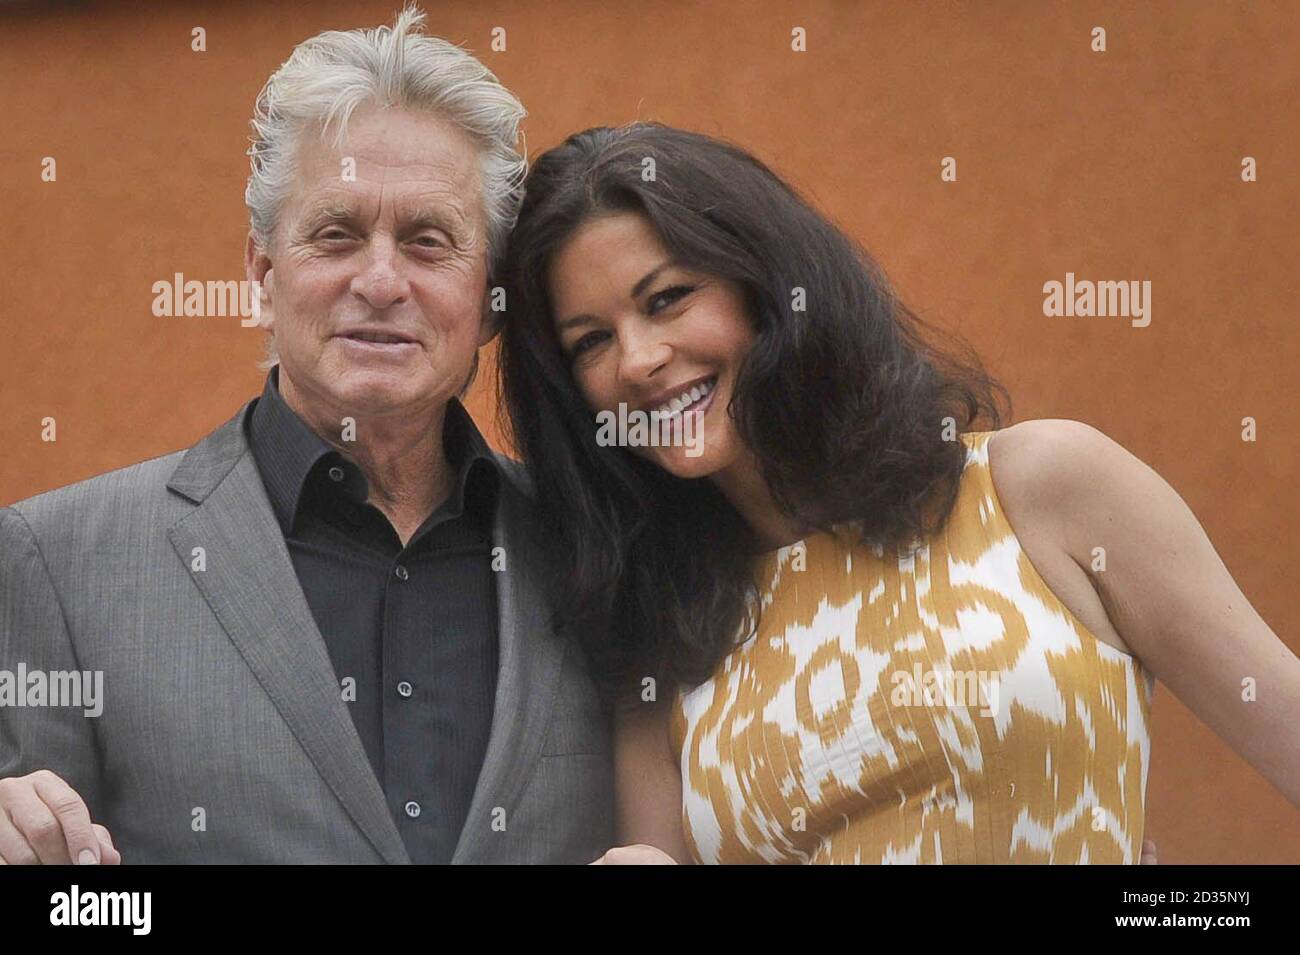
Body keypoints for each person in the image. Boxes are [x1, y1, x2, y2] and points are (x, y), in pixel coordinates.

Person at [495, 122, 1300, 864]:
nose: (636, 359)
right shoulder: (665, 645)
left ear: (767, 286)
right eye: (590, 341)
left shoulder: (1043, 489)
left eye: (667, 298)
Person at [0, 8, 612, 865]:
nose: (381, 279)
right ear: (262, 273)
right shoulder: (58, 560)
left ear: (491, 301)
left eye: (429, 241)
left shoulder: (595, 547)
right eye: (337, 234)